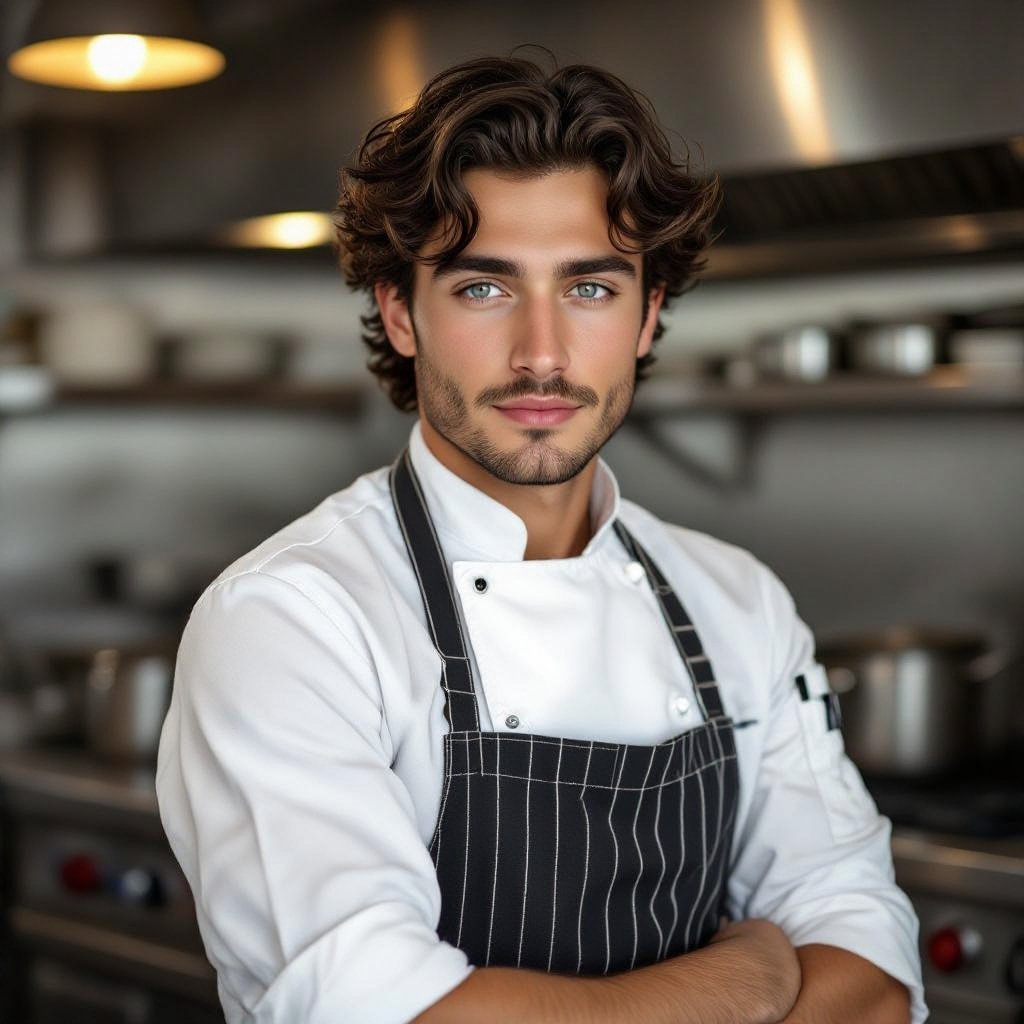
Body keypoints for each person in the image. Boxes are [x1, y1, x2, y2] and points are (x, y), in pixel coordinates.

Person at [156, 54, 926, 1024]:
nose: (542, 353)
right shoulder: (292, 619)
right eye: (484, 288)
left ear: (648, 315)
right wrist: (755, 977)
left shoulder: (736, 601)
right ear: (401, 312)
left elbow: (867, 978)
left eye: (590, 289)